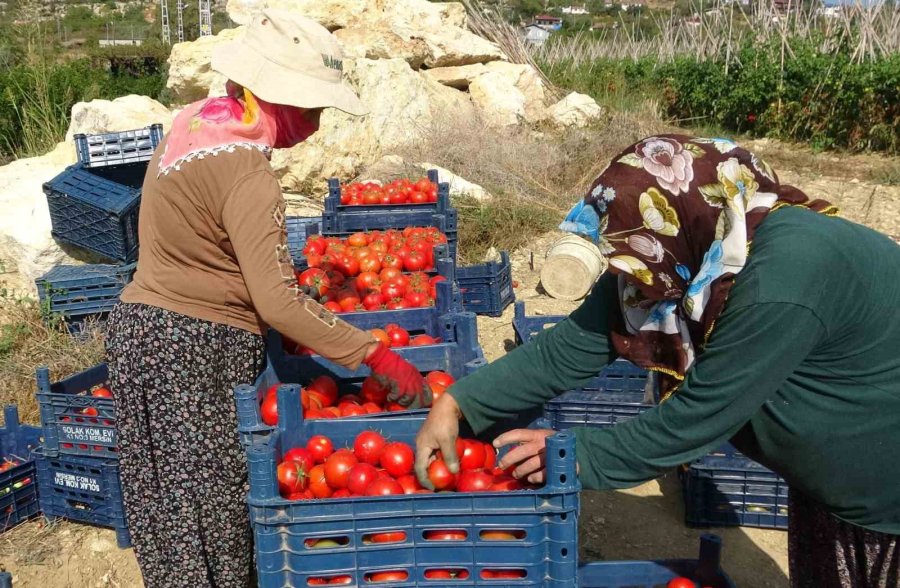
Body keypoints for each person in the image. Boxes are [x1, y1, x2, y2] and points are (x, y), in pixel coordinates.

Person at [415, 135, 900, 587]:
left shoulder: (782, 281)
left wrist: (577, 453)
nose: (626, 271)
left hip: (879, 470)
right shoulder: (682, 248)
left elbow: (699, 416)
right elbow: (571, 345)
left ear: (678, 216)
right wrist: (457, 402)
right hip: (826, 474)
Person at [105, 11, 430, 588]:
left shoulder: (194, 124)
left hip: (139, 330)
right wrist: (375, 354)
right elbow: (277, 300)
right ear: (278, 97)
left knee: (166, 502)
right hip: (195, 345)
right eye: (311, 107)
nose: (315, 122)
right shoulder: (248, 172)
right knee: (217, 508)